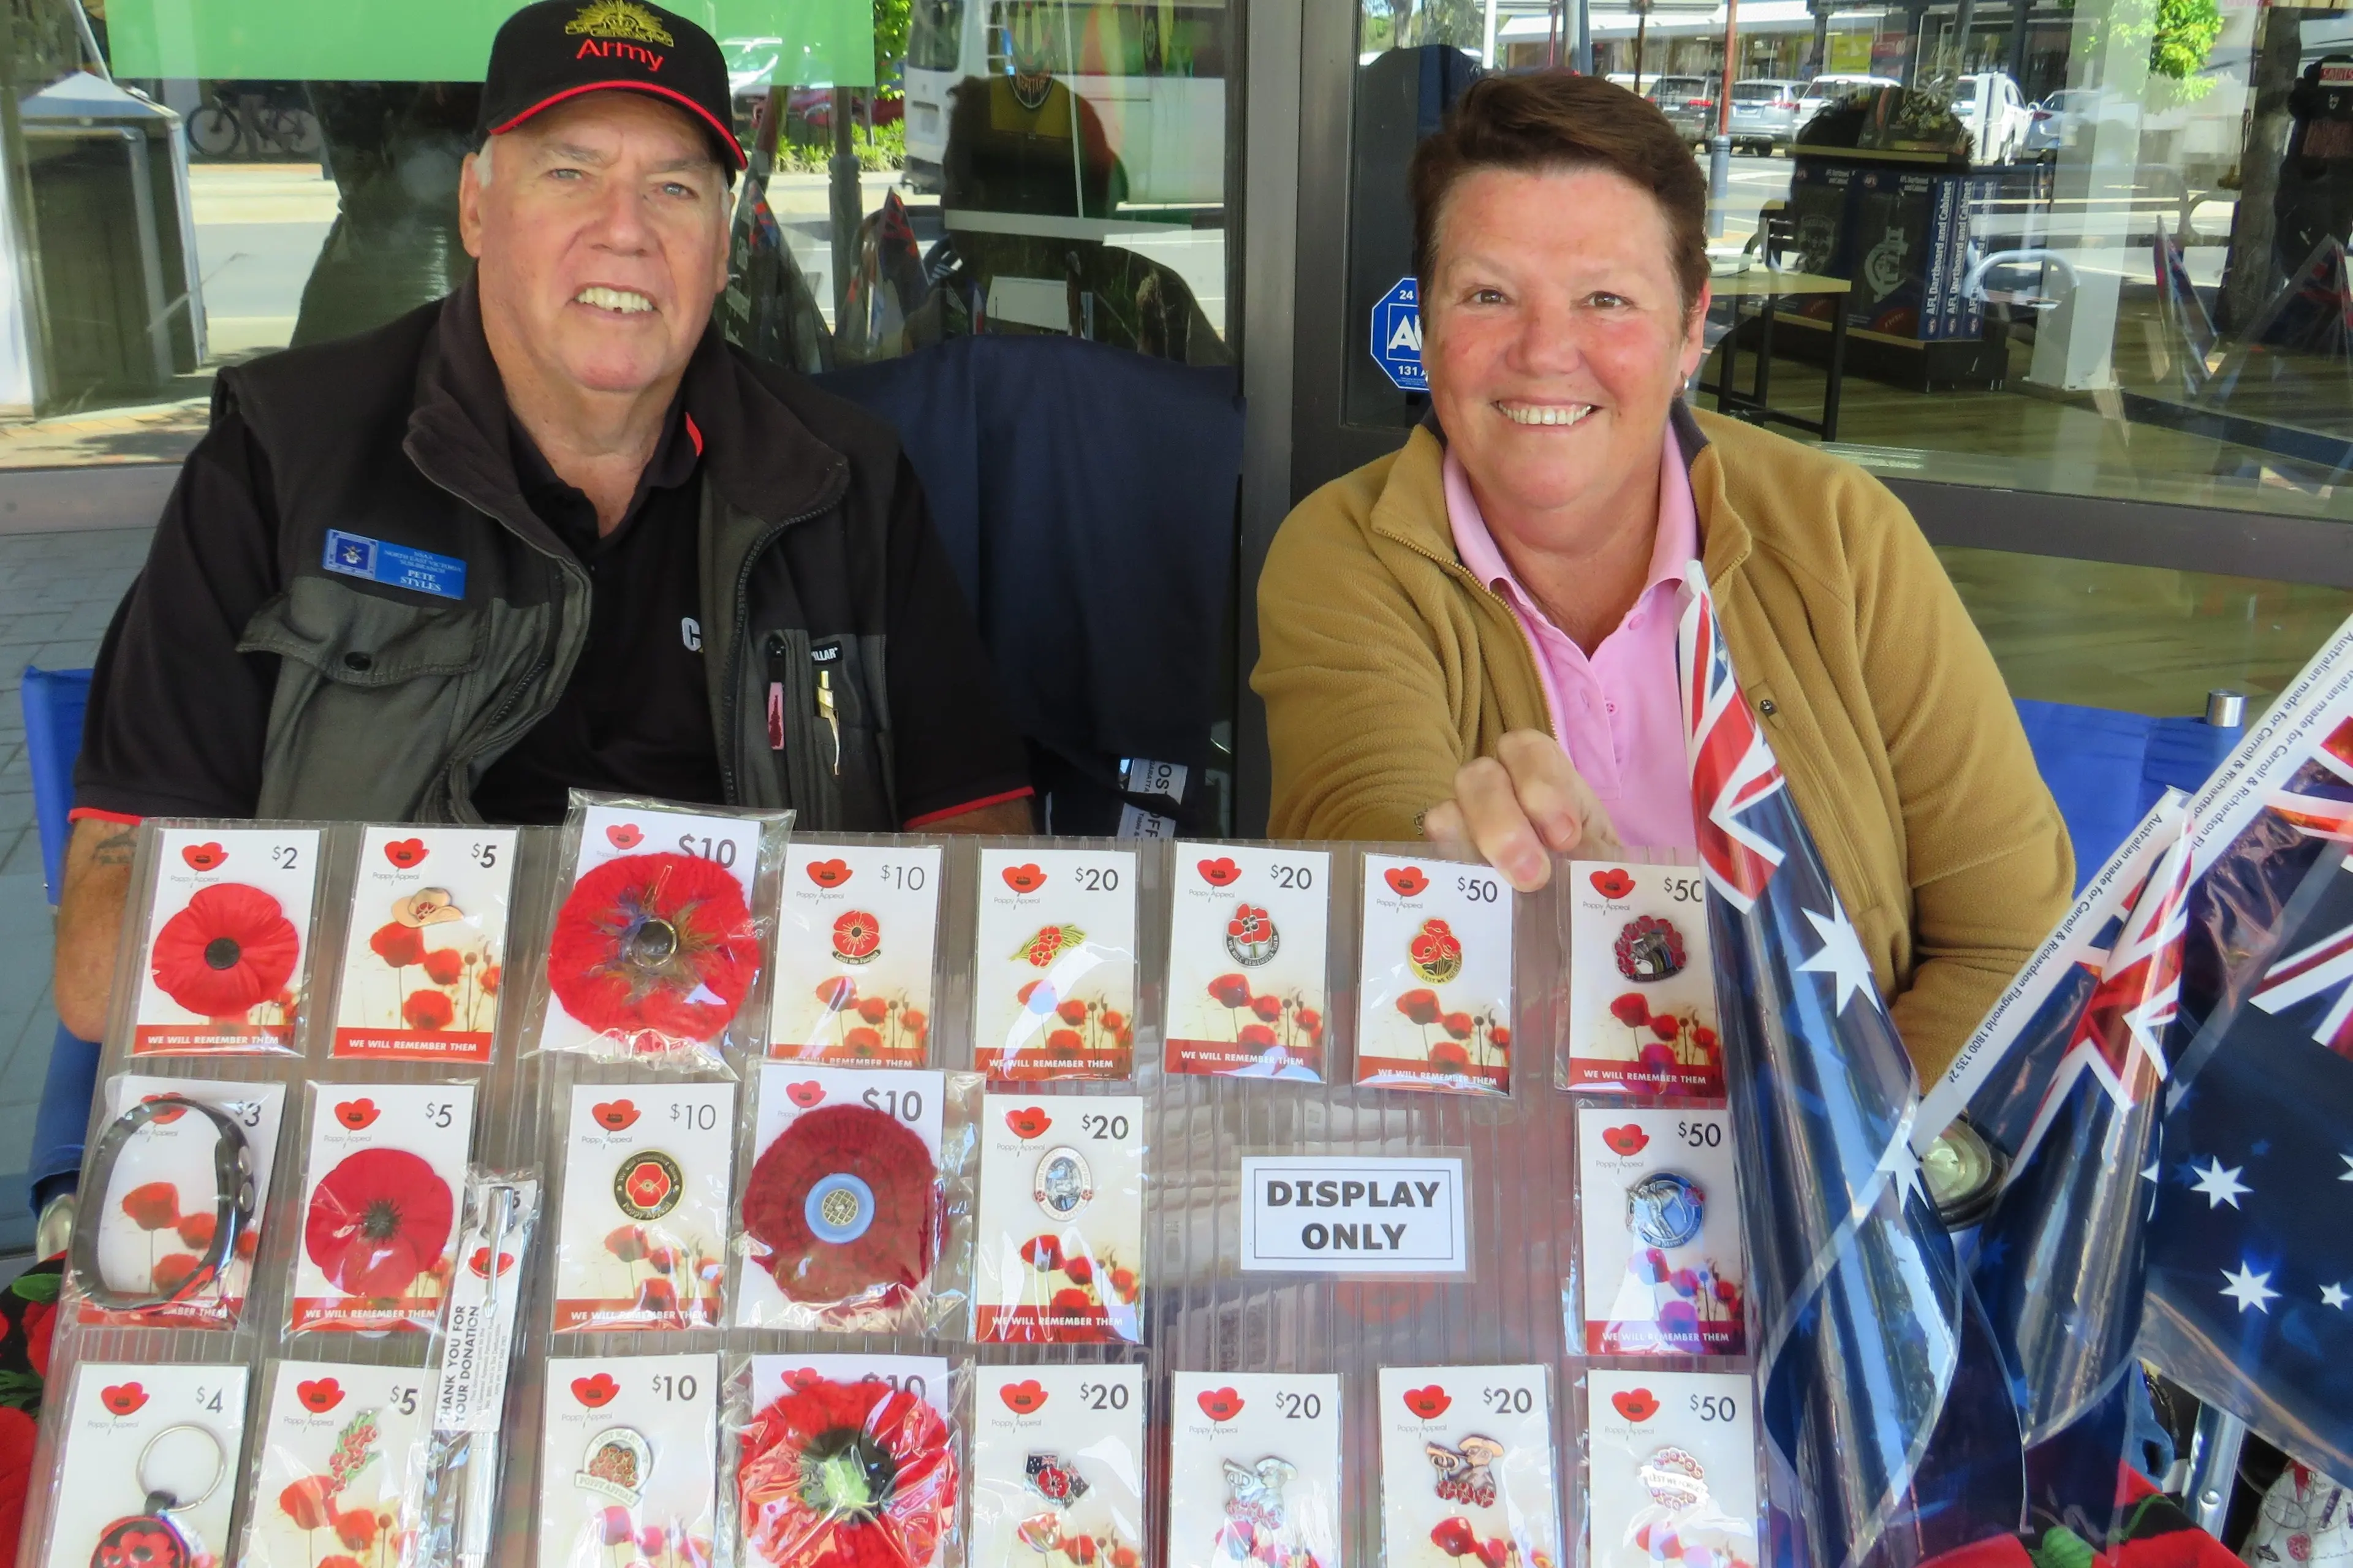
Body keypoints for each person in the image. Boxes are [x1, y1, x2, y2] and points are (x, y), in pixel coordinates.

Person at [51, 0, 1034, 1045]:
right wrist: (556, 986)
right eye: (570, 174)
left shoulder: (838, 478)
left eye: (674, 188)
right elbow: (104, 958)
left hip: (752, 1099)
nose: (627, 229)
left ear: (722, 238)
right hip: (382, 1097)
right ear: (477, 206)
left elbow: (981, 856)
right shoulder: (285, 458)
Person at [1251, 71, 2071, 1080]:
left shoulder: (1844, 536)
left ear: (1691, 330)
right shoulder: (1345, 550)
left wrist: (1841, 1179)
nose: (1546, 353)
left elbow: (2012, 937)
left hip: (1854, 1187)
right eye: (1488, 294)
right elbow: (1363, 823)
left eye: (1607, 299)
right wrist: (1459, 870)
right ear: (1426, 322)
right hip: (1517, 1178)